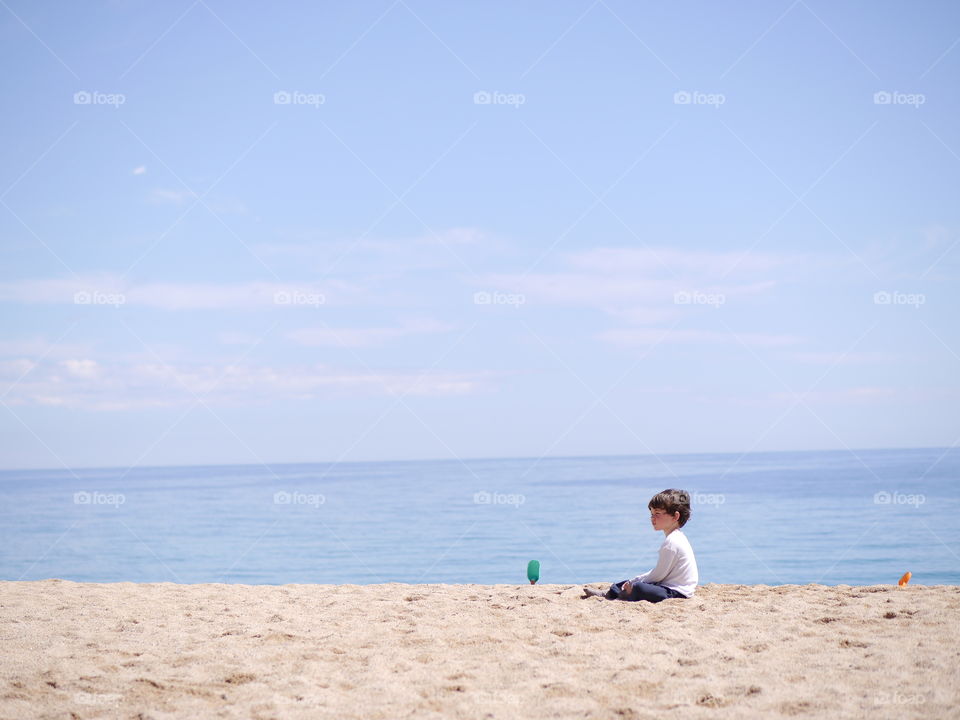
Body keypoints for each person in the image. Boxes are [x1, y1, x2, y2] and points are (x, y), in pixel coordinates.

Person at [583, 488, 698, 603]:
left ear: (675, 516)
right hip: (671, 588)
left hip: (676, 593)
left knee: (639, 587)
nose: (652, 518)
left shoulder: (672, 543)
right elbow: (659, 572)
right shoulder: (677, 537)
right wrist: (634, 580)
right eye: (651, 514)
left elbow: (658, 575)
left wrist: (636, 583)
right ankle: (610, 593)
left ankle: (620, 596)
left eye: (657, 514)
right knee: (631, 582)